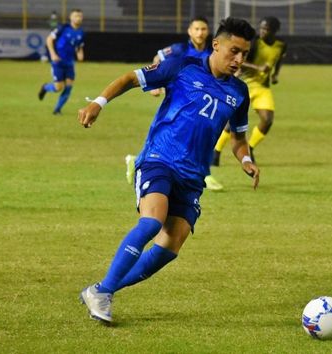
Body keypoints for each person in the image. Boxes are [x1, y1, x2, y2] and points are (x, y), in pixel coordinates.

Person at [78, 17, 259, 323]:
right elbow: (130, 79)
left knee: (169, 248)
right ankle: (104, 292)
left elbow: (239, 139)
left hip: (192, 177)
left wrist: (245, 160)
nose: (239, 60)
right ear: (216, 45)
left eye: (244, 54)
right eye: (234, 51)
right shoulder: (182, 65)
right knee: (151, 222)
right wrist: (98, 102)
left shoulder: (239, 92)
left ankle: (100, 290)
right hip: (159, 159)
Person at [123, 16, 224, 191]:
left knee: (202, 134)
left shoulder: (211, 51)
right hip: (179, 100)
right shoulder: (180, 49)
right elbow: (158, 58)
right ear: (190, 31)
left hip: (203, 101)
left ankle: (137, 160)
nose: (200, 33)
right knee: (179, 136)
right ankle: (204, 175)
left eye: (203, 29)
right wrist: (156, 84)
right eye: (197, 29)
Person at [211, 16, 286, 165]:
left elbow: (278, 60)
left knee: (267, 120)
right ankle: (216, 151)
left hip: (263, 87)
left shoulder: (281, 45)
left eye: (266, 29)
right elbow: (241, 62)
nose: (263, 31)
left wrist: (276, 74)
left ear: (275, 31)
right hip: (245, 84)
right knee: (231, 123)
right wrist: (258, 68)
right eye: (262, 28)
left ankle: (250, 148)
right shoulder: (255, 43)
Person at [38, 9, 85, 115]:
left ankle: (57, 110)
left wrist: (80, 53)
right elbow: (49, 39)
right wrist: (53, 54)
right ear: (71, 18)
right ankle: (45, 87)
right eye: (76, 16)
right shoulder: (63, 28)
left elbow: (79, 45)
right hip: (58, 62)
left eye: (80, 16)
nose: (78, 18)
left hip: (70, 63)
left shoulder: (81, 32)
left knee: (68, 87)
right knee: (58, 88)